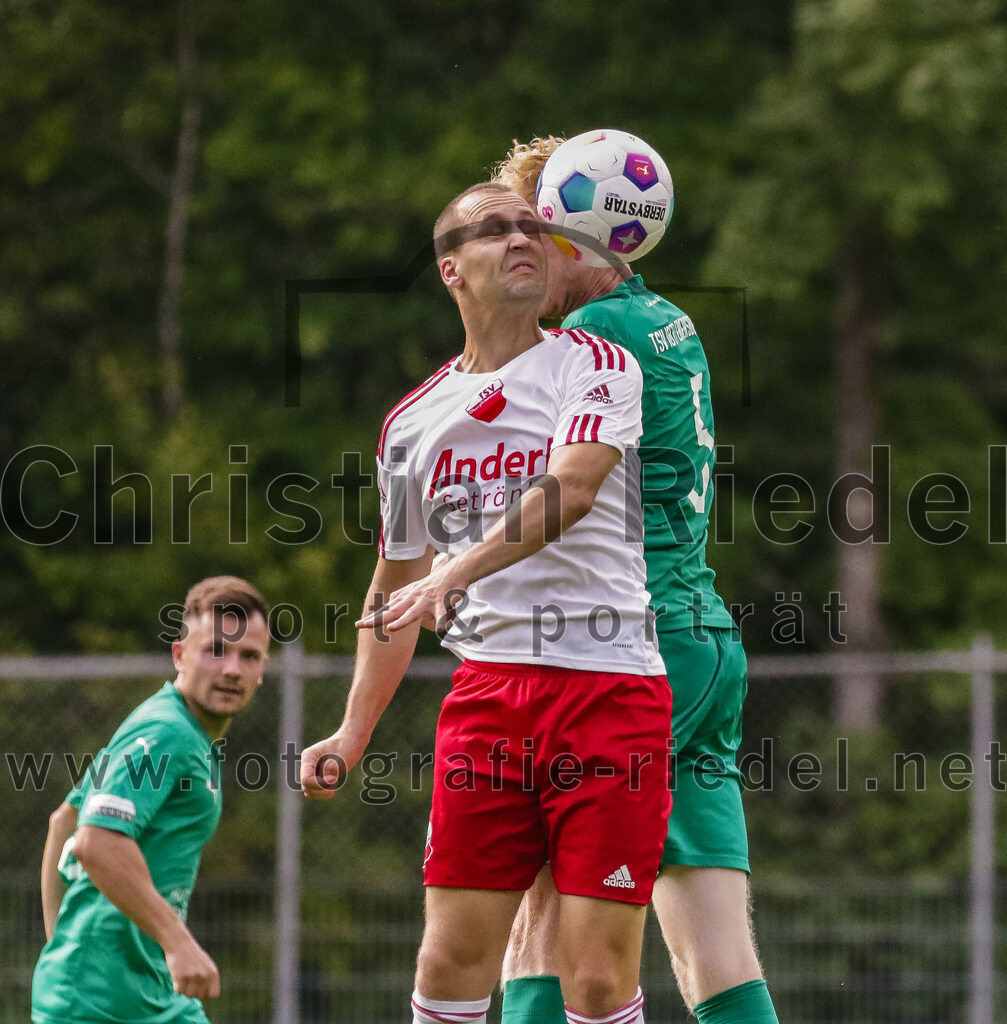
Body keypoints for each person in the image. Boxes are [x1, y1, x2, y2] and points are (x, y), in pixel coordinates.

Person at [301, 182, 672, 1024]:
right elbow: (391, 590)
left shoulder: (594, 363)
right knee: (449, 959)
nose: (523, 240)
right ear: (449, 270)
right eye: (495, 229)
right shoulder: (411, 421)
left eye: (534, 228)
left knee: (596, 977)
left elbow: (572, 489)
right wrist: (350, 733)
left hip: (608, 692)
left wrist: (452, 574)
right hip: (488, 699)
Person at [491, 137, 779, 1024]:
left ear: (570, 233)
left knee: (538, 910)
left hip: (627, 643)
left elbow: (545, 486)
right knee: (715, 951)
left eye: (529, 233)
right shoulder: (662, 320)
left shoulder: (585, 345)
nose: (518, 255)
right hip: (697, 634)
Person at [32, 576, 271, 1024]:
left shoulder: (182, 730)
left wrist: (59, 948)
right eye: (216, 650)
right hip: (101, 1004)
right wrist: (177, 942)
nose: (233, 669)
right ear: (180, 655)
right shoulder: (167, 733)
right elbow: (95, 840)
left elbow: (63, 820)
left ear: (263, 669)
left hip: (143, 993)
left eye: (249, 656)